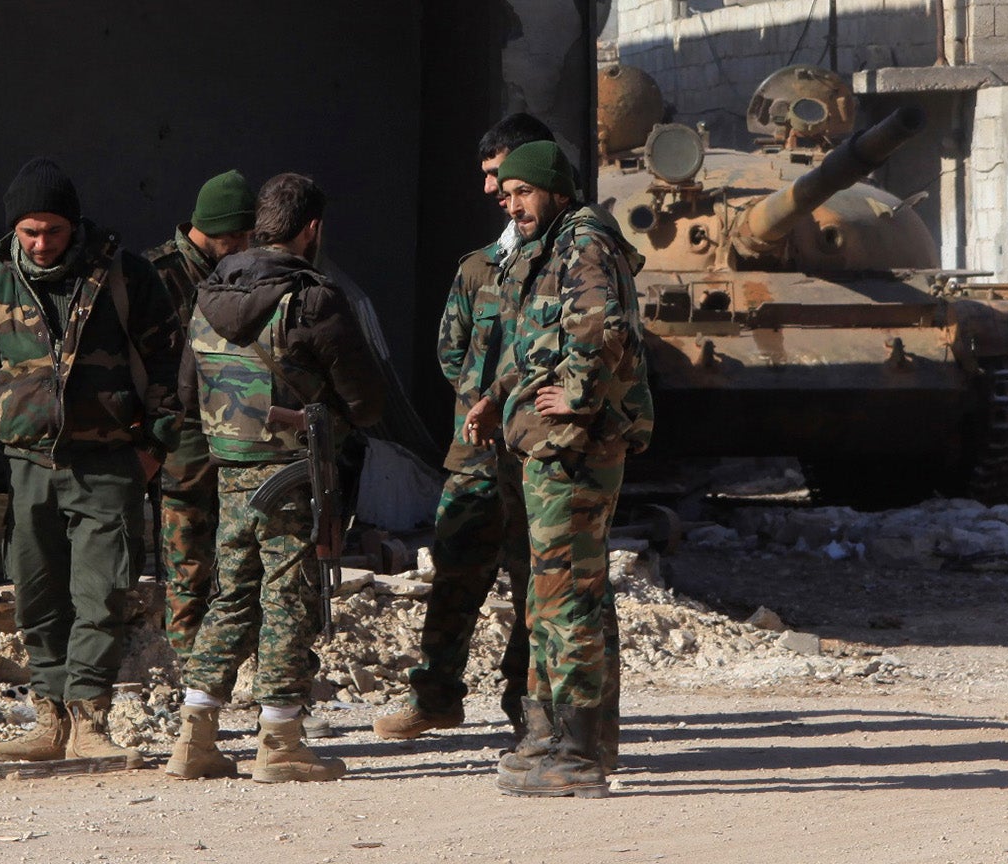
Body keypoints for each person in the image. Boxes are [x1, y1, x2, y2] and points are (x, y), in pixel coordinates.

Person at [0, 156, 185, 766]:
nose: (42, 243)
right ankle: (48, 719)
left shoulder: (123, 276)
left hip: (108, 462)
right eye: (30, 231)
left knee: (102, 591)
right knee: (36, 591)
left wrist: (154, 444)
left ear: (73, 226)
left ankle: (89, 720)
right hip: (27, 465)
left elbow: (171, 365)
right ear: (14, 230)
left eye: (53, 230)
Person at [163, 173, 386, 784]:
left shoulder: (208, 295)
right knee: (286, 598)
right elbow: (367, 403)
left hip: (230, 472)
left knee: (231, 596)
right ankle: (281, 739)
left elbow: (186, 394)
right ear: (311, 228)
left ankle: (194, 737)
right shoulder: (313, 299)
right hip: (292, 475)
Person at [464, 139, 653, 799]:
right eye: (507, 193)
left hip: (574, 448)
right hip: (544, 445)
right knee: (560, 594)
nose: (511, 204)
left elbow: (602, 328)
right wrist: (494, 398)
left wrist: (574, 394)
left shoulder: (583, 244)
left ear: (554, 190)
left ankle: (572, 753)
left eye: (522, 192)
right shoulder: (548, 246)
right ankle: (556, 735)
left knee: (566, 593)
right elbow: (535, 339)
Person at [372, 113, 553, 742]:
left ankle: (528, 709)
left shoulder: (575, 258)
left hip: (540, 454)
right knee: (455, 572)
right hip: (476, 453)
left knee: (538, 583)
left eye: (498, 175)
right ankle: (437, 697)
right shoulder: (480, 266)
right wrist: (484, 399)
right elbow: (452, 351)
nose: (490, 191)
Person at [142, 170, 257, 659]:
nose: (247, 245)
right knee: (186, 556)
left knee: (241, 553)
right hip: (183, 435)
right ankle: (190, 665)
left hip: (239, 428)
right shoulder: (154, 275)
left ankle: (238, 659)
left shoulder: (245, 270)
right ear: (221, 232)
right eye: (240, 237)